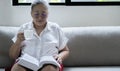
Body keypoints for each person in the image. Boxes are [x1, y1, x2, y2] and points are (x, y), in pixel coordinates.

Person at [9, 0, 69, 71]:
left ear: (48, 13)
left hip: (49, 64)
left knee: (49, 69)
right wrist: (18, 41)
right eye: (36, 14)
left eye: (43, 14)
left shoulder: (55, 28)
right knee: (17, 68)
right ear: (31, 13)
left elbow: (66, 50)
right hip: (25, 64)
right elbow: (12, 56)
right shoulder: (24, 28)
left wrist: (60, 56)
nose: (40, 18)